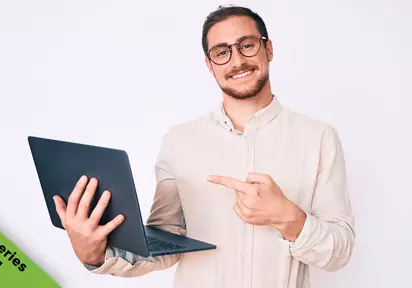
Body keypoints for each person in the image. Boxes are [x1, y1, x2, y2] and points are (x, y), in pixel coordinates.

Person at [52, 5, 355, 288]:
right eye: (222, 52)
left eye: (247, 45)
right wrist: (96, 254)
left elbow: (339, 252)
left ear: (268, 48)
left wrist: (286, 216)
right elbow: (165, 242)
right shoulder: (179, 141)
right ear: (209, 65)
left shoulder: (319, 137)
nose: (237, 60)